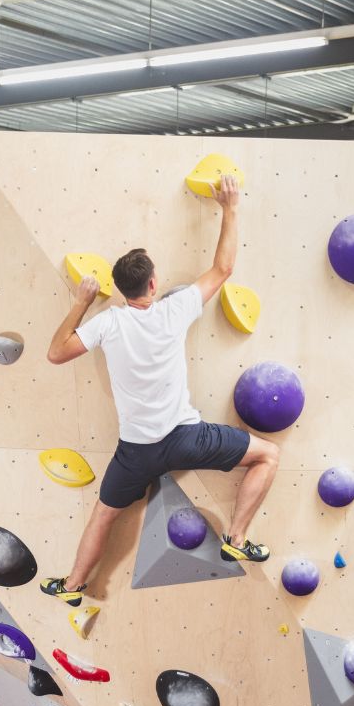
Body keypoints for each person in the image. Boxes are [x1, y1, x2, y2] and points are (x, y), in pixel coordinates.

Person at [40, 174, 279, 607]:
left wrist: (82, 300)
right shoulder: (174, 309)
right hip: (186, 439)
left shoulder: (108, 322)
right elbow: (223, 268)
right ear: (153, 285)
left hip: (137, 451)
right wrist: (230, 208)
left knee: (104, 514)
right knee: (268, 454)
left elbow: (56, 353)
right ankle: (237, 537)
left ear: (123, 290)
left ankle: (73, 586)